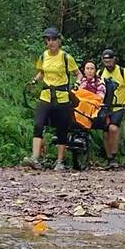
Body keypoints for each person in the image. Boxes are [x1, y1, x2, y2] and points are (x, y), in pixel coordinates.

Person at [22, 27, 81, 172]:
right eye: (48, 39)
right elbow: (41, 72)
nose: (51, 42)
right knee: (38, 124)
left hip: (62, 97)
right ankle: (35, 158)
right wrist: (34, 81)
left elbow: (78, 74)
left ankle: (60, 161)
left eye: (53, 39)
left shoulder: (66, 57)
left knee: (61, 128)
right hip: (46, 95)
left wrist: (77, 83)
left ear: (59, 41)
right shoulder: (43, 56)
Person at [99, 49, 125, 169]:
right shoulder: (100, 73)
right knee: (106, 133)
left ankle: (114, 156)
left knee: (113, 128)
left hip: (119, 106)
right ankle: (109, 158)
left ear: (114, 59)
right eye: (106, 62)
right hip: (105, 107)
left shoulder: (122, 72)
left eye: (110, 61)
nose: (108, 64)